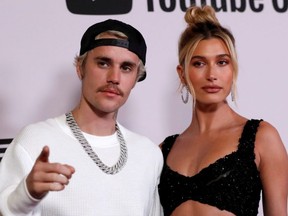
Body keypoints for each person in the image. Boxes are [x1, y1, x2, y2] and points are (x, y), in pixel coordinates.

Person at [0, 19, 163, 216]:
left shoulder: (148, 154)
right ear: (80, 68)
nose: (114, 77)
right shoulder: (35, 140)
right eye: (103, 63)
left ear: (136, 78)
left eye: (126, 68)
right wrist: (26, 196)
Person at [158, 5, 288, 216]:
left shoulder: (261, 137)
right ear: (182, 74)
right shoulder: (163, 151)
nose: (212, 74)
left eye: (222, 62)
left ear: (232, 69)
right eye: (199, 63)